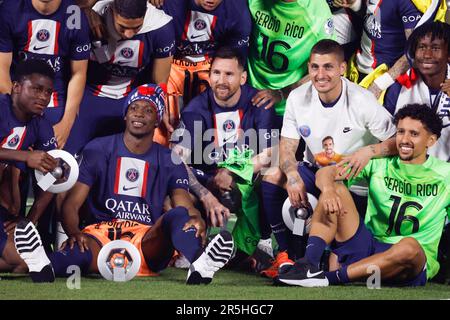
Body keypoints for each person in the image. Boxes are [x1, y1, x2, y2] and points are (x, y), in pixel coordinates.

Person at [13, 83, 234, 283]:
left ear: (157, 120)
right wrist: (74, 232)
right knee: (78, 250)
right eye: (134, 108)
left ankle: (200, 263)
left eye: (148, 110)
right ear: (125, 114)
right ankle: (44, 265)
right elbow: (72, 205)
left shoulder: (169, 159)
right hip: (99, 235)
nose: (139, 114)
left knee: (178, 216)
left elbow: (182, 202)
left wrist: (195, 217)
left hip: (146, 239)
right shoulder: (97, 149)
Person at [260, 39, 397, 278]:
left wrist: (369, 152)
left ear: (342, 68)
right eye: (315, 67)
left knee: (338, 264)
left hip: (352, 182)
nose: (320, 74)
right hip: (316, 172)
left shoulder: (361, 100)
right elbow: (287, 146)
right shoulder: (297, 98)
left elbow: (398, 140)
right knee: (272, 173)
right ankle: (286, 255)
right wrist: (292, 176)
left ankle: (317, 255)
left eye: (328, 67)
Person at [276, 104, 450, 287]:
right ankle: (308, 265)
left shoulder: (445, 174)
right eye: (400, 132)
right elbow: (326, 173)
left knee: (410, 246)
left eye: (414, 134)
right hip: (368, 248)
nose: (404, 139)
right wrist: (327, 191)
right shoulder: (380, 164)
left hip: (408, 264)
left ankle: (327, 278)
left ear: (431, 140)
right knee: (336, 188)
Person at [171, 46, 276, 260]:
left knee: (272, 173)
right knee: (176, 187)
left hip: (245, 178)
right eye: (216, 73)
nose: (221, 80)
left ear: (243, 77)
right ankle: (193, 241)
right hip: (207, 178)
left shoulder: (259, 103)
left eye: (229, 74)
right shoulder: (195, 109)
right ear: (209, 76)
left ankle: (263, 241)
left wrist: (232, 171)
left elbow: (270, 153)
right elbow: (176, 161)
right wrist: (206, 195)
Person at [64, 0, 176, 155]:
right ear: (111, 12)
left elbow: (160, 81)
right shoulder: (90, 17)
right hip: (89, 93)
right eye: (122, 27)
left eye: (137, 27)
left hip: (131, 97)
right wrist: (84, 12)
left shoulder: (160, 26)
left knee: (128, 158)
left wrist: (160, 106)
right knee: (69, 154)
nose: (129, 34)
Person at [152, 0, 252, 146]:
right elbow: (159, 54)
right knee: (163, 123)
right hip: (172, 62)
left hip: (212, 65)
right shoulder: (169, 3)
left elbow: (233, 61)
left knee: (216, 125)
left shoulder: (238, 10)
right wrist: (160, 97)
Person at [0, 0, 90, 149]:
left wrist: (66, 123)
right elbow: (2, 68)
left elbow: (78, 73)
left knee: (58, 158)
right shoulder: (9, 9)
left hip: (55, 98)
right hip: (16, 94)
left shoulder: (74, 15)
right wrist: (16, 116)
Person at [0, 60, 58, 273]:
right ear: (16, 86)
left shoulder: (42, 125)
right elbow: (25, 158)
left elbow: (55, 175)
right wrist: (24, 156)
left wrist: (30, 221)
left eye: (48, 92)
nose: (43, 97)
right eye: (36, 89)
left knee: (24, 263)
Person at [247, 0, 334, 126]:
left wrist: (282, 93)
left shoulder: (317, 12)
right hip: (247, 97)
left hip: (288, 109)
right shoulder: (254, 2)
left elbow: (327, 68)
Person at [384, 21, 450, 162]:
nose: (427, 55)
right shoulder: (399, 86)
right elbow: (387, 135)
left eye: (435, 48)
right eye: (422, 47)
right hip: (407, 170)